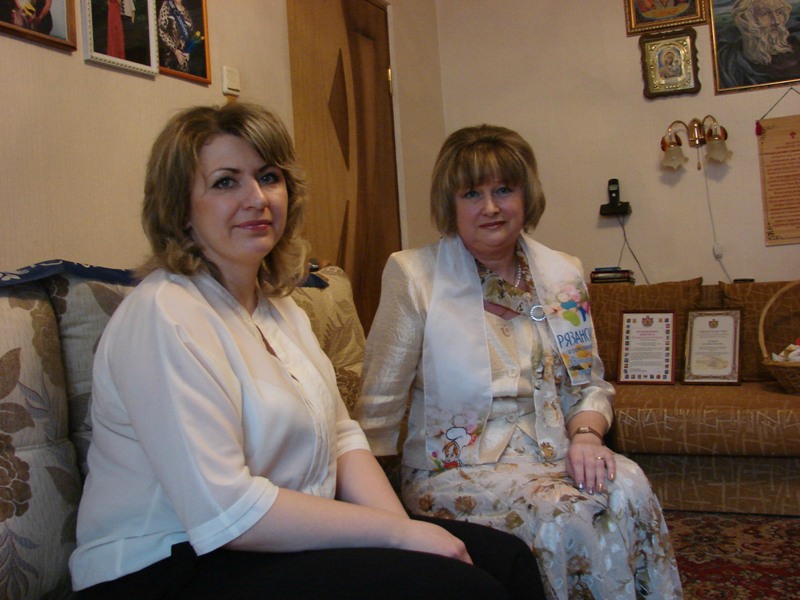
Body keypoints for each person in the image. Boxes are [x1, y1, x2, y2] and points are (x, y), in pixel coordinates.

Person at [67, 103, 545, 599]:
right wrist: (398, 535)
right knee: (459, 588)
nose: (256, 199)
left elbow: (342, 437)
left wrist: (403, 530)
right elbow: (228, 511)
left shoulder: (279, 308)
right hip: (165, 564)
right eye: (226, 182)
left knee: (505, 558)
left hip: (270, 543)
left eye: (268, 177)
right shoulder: (165, 314)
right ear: (179, 207)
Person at [356, 124, 683, 600]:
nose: (490, 207)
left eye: (504, 190)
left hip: (553, 453)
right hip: (453, 469)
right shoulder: (414, 275)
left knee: (629, 483)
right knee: (566, 514)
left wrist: (587, 436)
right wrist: (378, 515)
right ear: (450, 203)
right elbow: (379, 403)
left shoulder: (562, 274)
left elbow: (589, 384)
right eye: (472, 193)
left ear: (526, 196)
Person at [716, 0, 800, 89]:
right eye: (764, 14)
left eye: (779, 12)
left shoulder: (797, 51)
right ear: (744, 19)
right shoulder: (727, 59)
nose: (776, 21)